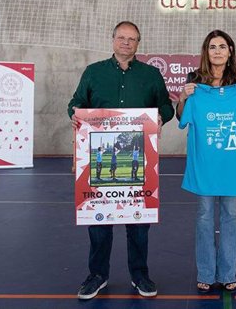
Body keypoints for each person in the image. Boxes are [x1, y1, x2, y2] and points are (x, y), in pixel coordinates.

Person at [68, 21, 174, 300]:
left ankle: (140, 275)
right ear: (113, 39)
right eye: (122, 38)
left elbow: (165, 105)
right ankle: (97, 275)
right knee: (99, 220)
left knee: (138, 221)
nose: (126, 43)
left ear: (139, 43)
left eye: (132, 39)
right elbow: (75, 103)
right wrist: (75, 115)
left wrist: (162, 116)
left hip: (141, 158)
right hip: (98, 157)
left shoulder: (150, 75)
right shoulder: (94, 72)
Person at [177, 30, 236, 293]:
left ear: (230, 50)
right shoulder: (195, 81)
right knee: (203, 216)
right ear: (206, 51)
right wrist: (184, 97)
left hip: (232, 164)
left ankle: (227, 272)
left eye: (222, 46)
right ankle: (205, 271)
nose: (217, 51)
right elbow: (182, 118)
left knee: (230, 215)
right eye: (212, 47)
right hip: (205, 162)